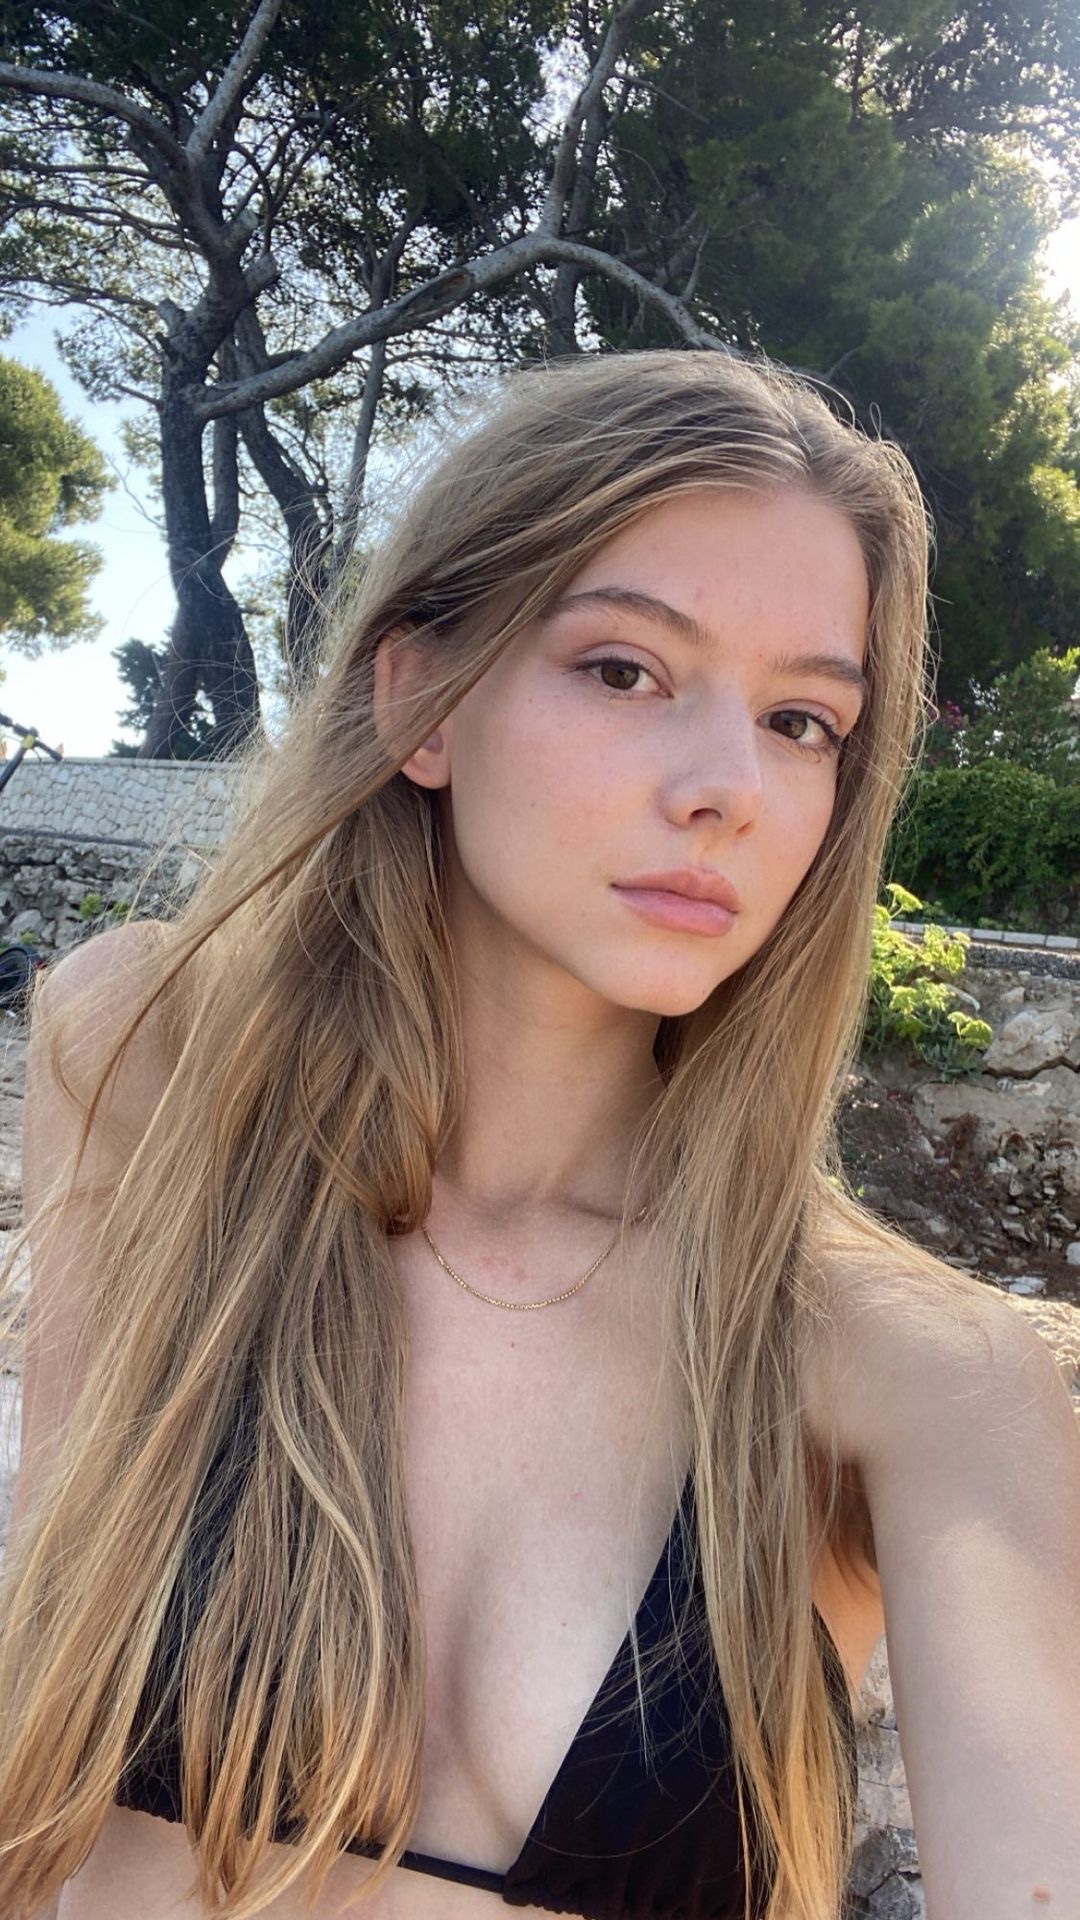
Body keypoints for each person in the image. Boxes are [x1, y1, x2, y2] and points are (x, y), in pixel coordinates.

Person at [0, 347, 1068, 1920]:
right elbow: (42, 1700)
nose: (728, 789)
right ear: (420, 700)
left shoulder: (915, 1375)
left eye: (801, 720)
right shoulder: (149, 1060)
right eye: (625, 671)